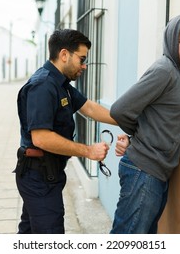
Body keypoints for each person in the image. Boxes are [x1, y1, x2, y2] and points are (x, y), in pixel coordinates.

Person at [15, 29, 117, 234]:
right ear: (64, 55)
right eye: (81, 59)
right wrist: (88, 151)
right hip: (38, 177)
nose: (84, 65)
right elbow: (41, 138)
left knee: (28, 233)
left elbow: (89, 108)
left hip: (47, 173)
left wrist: (127, 120)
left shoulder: (61, 84)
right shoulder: (43, 85)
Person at [110, 13, 180, 233]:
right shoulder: (164, 70)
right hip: (144, 171)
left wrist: (137, 137)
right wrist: (140, 138)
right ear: (172, 41)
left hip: (155, 173)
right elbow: (119, 110)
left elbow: (154, 115)